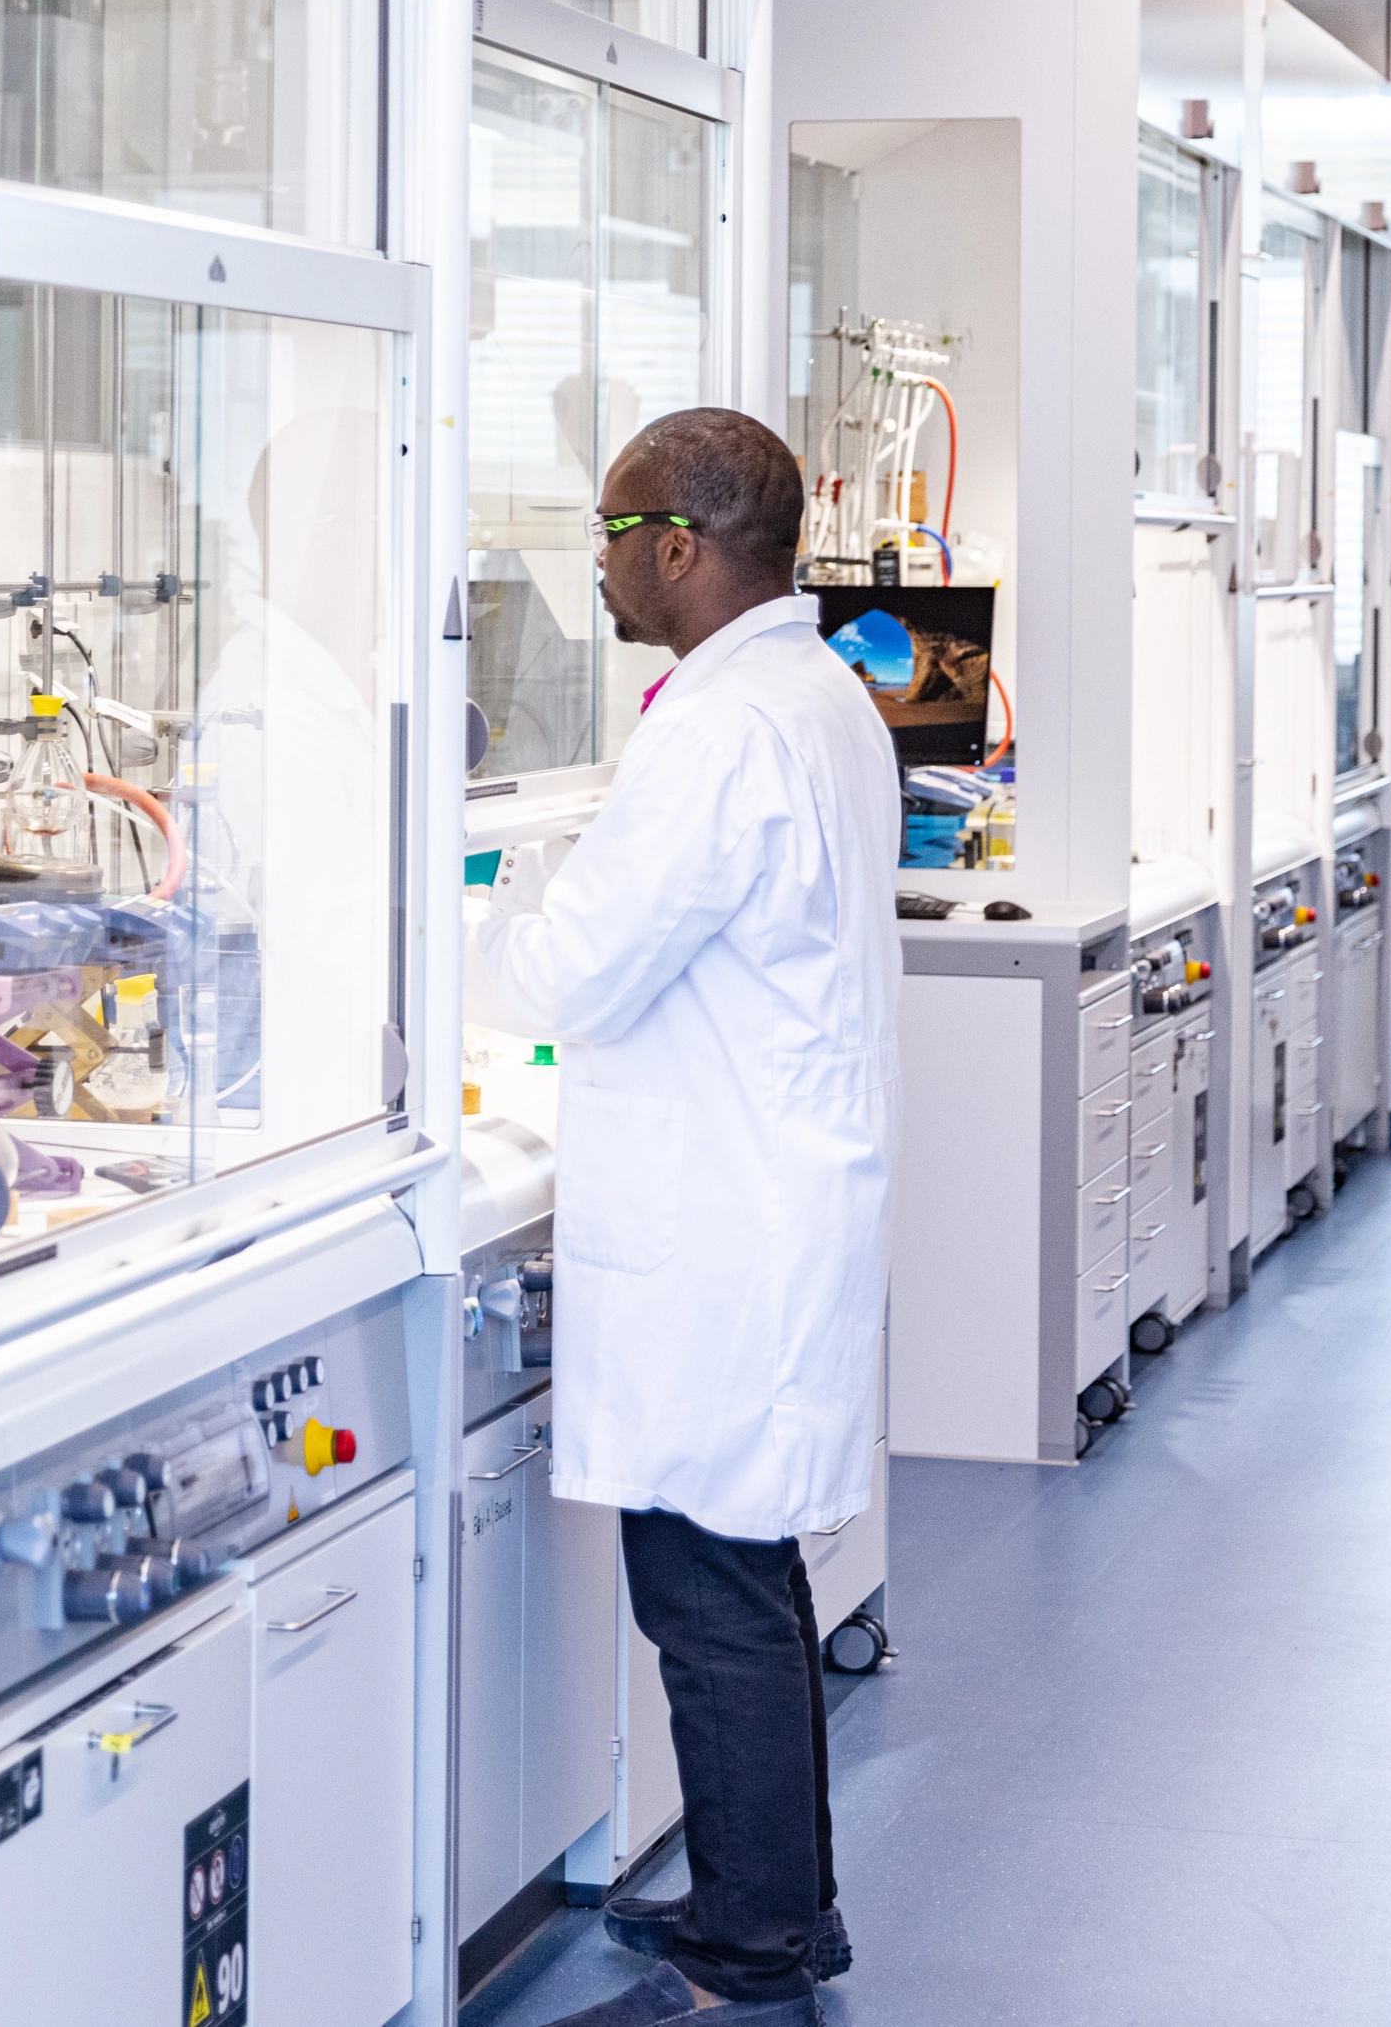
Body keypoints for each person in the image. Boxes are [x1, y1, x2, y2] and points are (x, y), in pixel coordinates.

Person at [467, 407, 898, 2026]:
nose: (591, 561)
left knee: (707, 1597)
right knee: (746, 1579)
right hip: (764, 1197)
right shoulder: (805, 696)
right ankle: (782, 1908)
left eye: (608, 527)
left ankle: (753, 1939)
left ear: (679, 544)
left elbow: (572, 969)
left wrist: (488, 916)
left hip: (729, 1221)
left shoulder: (721, 731)